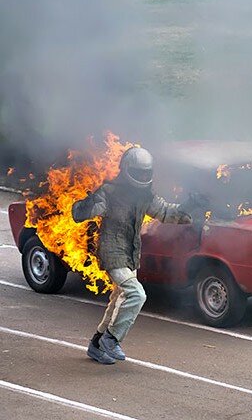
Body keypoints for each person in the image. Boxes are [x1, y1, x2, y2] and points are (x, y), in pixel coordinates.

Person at [72, 147, 192, 365]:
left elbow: (166, 212)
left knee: (118, 300)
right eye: (139, 172)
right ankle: (112, 338)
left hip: (129, 253)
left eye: (146, 173)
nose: (143, 177)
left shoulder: (144, 196)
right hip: (111, 251)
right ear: (127, 170)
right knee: (137, 295)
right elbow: (79, 214)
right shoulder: (108, 192)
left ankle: (97, 345)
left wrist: (189, 208)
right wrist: (88, 205)